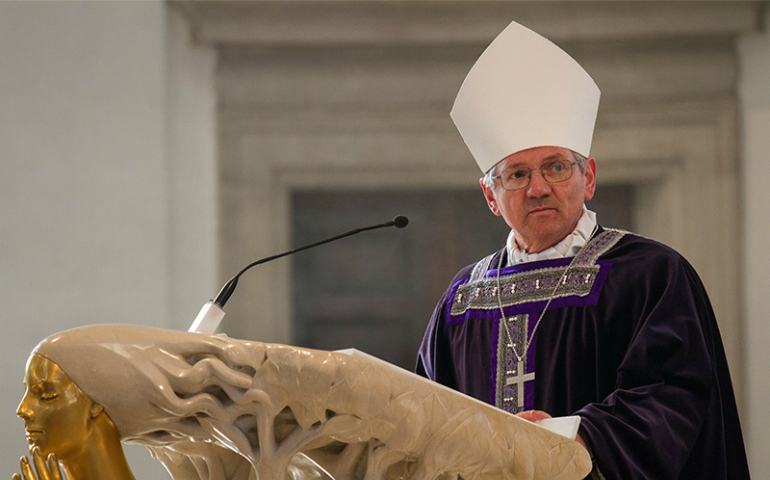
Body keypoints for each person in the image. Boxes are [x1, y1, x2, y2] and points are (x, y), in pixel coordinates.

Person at [415, 20, 750, 480]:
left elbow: (675, 395)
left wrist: (572, 435)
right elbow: (422, 418)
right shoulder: (462, 301)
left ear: (588, 176)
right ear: (491, 196)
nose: (538, 189)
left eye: (555, 167)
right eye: (516, 174)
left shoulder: (649, 275)